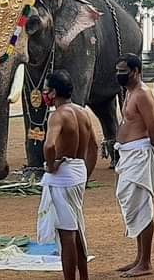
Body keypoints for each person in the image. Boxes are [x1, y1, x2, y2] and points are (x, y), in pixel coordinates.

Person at [37, 69, 98, 280]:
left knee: (67, 234)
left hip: (63, 175)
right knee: (77, 226)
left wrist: (51, 165)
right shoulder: (83, 112)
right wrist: (85, 174)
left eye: (46, 90)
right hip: (78, 171)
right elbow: (94, 147)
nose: (45, 94)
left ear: (54, 92)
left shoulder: (58, 115)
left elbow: (49, 145)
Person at [114, 54, 154, 278]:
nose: (119, 74)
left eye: (123, 70)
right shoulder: (129, 92)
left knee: (143, 207)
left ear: (135, 70)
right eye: (118, 70)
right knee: (134, 206)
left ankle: (146, 262)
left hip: (140, 155)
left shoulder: (142, 94)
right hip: (128, 156)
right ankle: (139, 257)